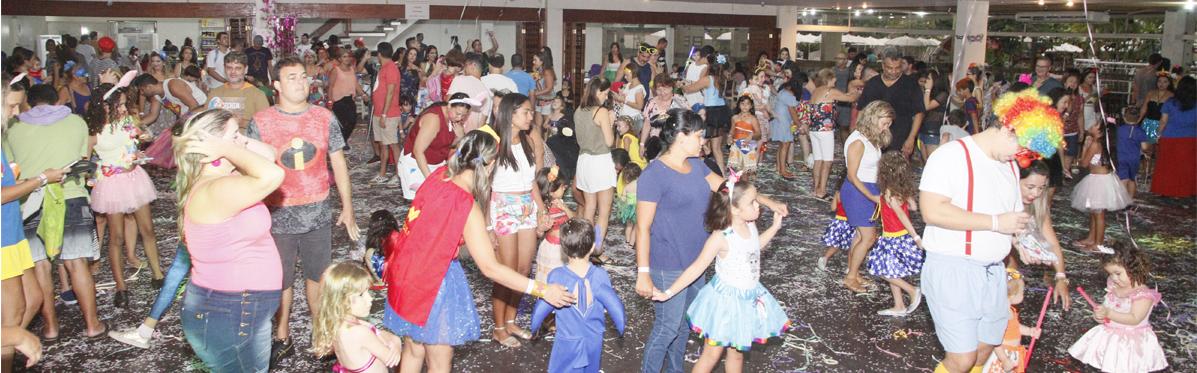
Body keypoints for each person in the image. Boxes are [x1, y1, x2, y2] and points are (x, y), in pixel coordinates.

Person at [383, 130, 575, 372]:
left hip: (405, 273)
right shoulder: (465, 203)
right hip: (432, 284)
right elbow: (490, 267)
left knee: (413, 349)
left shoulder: (438, 176)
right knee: (439, 362)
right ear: (490, 163)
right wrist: (542, 289)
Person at [634, 109, 787, 373]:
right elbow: (643, 227)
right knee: (667, 328)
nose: (703, 141)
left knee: (684, 326)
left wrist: (767, 201)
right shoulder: (654, 174)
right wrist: (643, 273)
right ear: (681, 137)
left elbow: (729, 189)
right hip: (668, 262)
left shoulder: (696, 165)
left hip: (697, 261)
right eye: (698, 136)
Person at [919, 89, 1055, 372]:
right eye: (1023, 148)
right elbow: (932, 211)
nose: (1023, 156)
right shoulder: (951, 156)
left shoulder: (1010, 167)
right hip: (954, 267)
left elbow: (1014, 219)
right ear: (1008, 128)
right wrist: (996, 222)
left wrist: (1023, 244)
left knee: (983, 351)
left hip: (993, 272)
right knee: (962, 358)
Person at [249, 57, 360, 366]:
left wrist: (348, 207)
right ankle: (282, 337)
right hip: (277, 214)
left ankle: (320, 336)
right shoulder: (261, 121)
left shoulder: (324, 117)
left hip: (318, 212)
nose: (301, 82)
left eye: (303, 76)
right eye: (292, 77)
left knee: (318, 277)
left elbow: (338, 163)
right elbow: (251, 168)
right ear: (277, 85)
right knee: (280, 281)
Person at [171, 109, 284, 372]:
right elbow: (273, 175)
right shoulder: (215, 190)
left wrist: (230, 144)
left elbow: (269, 155)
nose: (243, 141)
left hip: (237, 308)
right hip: (232, 310)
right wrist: (225, 146)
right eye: (236, 136)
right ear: (215, 147)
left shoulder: (224, 179)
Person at [649, 170, 789, 373]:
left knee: (737, 354)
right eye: (752, 202)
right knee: (711, 355)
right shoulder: (721, 237)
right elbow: (697, 267)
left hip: (747, 299)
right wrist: (668, 292)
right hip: (725, 304)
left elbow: (754, 247)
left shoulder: (750, 225)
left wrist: (775, 228)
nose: (758, 205)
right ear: (735, 209)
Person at [8, 83, 106, 341]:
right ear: (55, 101)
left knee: (40, 266)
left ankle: (50, 328)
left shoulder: (13, 128)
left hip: (29, 201)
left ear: (28, 102)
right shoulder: (76, 123)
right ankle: (93, 324)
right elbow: (82, 161)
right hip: (71, 196)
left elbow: (10, 169)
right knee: (77, 264)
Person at [85, 82, 162, 306]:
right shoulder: (94, 131)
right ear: (104, 106)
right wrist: (95, 173)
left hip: (135, 179)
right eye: (117, 105)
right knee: (116, 237)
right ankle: (121, 286)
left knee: (147, 229)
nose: (122, 109)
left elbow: (138, 139)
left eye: (123, 104)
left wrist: (140, 145)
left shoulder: (127, 122)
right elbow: (85, 162)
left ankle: (157, 274)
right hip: (111, 184)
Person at [1, 79, 56, 371]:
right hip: (2, 240)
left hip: (12, 234)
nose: (15, 113)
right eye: (10, 106)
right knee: (10, 321)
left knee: (33, 299)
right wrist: (41, 180)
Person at [529, 218, 626, 373]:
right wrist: (621, 326)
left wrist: (534, 326)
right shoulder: (600, 275)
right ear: (593, 247)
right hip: (593, 339)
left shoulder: (557, 275)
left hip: (567, 341)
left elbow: (544, 304)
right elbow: (614, 305)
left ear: (563, 248)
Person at [485, 93, 543, 347]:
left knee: (522, 270)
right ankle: (498, 328)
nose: (531, 116)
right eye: (527, 112)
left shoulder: (529, 141)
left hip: (526, 207)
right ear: (512, 114)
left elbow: (531, 182)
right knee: (506, 272)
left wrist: (541, 209)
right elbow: (483, 186)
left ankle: (510, 321)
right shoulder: (494, 144)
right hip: (503, 207)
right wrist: (487, 225)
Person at [1068, 245, 1168, 372]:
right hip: (1109, 338)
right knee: (1108, 365)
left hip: (1130, 343)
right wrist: (1100, 316)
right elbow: (1105, 307)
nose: (1114, 278)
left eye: (1118, 273)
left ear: (1133, 268)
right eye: (1110, 274)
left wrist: (1109, 313)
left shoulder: (1142, 294)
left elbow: (1134, 318)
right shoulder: (1114, 287)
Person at [310, 262, 402, 373]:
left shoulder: (338, 323)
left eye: (368, 291)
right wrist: (396, 342)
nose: (370, 298)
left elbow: (377, 333)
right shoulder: (359, 332)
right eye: (361, 295)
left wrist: (381, 334)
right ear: (341, 300)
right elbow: (390, 359)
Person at [840, 101, 892, 293]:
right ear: (873, 118)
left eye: (888, 124)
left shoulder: (870, 139)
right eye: (884, 123)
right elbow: (852, 176)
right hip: (858, 192)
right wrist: (872, 197)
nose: (886, 128)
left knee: (861, 235)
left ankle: (853, 272)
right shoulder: (858, 141)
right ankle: (851, 276)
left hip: (867, 189)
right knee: (869, 238)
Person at [865, 152, 924, 316]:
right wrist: (906, 194)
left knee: (880, 270)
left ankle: (911, 290)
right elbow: (913, 207)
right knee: (892, 270)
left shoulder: (890, 193)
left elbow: (903, 216)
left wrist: (916, 237)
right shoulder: (898, 190)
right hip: (897, 236)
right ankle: (899, 305)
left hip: (894, 238)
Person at [1012, 160, 1072, 311]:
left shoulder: (1038, 207)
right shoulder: (999, 203)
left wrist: (1060, 277)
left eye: (1041, 188)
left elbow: (1053, 244)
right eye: (1030, 187)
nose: (1036, 194)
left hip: (1013, 274)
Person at [399, 93, 474, 200]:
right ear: (449, 106)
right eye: (458, 114)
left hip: (436, 163)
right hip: (416, 164)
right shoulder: (433, 119)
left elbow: (447, 144)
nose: (460, 118)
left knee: (435, 202)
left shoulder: (453, 119)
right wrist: (430, 179)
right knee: (420, 204)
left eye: (464, 115)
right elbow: (418, 151)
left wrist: (460, 136)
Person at [573, 79, 617, 259]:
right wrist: (611, 122)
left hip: (584, 161)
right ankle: (597, 249)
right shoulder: (602, 111)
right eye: (605, 93)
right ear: (597, 91)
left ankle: (585, 248)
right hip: (600, 161)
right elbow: (609, 141)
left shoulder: (578, 111)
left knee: (589, 207)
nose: (606, 97)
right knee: (604, 211)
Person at [1072, 121, 1130, 252]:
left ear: (1100, 132)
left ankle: (1098, 243)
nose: (1092, 125)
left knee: (1099, 214)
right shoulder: (1102, 144)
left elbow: (1084, 163)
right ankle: (1091, 238)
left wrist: (1085, 147)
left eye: (1096, 125)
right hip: (1100, 180)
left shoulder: (1095, 144)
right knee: (1094, 212)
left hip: (1099, 182)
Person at [855, 50, 925, 156]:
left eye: (897, 68)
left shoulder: (911, 84)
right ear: (883, 66)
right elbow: (861, 110)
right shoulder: (872, 83)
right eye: (889, 68)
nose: (893, 71)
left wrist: (911, 138)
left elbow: (919, 113)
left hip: (900, 140)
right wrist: (858, 134)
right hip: (873, 139)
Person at [805, 68, 861, 198]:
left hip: (814, 129)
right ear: (829, 78)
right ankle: (821, 190)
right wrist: (858, 92)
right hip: (825, 130)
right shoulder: (830, 91)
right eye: (834, 78)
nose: (836, 80)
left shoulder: (816, 91)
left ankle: (815, 188)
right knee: (828, 161)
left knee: (818, 160)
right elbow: (850, 98)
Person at [980, 270, 1040, 373]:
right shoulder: (1000, 315)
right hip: (1001, 356)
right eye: (1022, 292)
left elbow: (1015, 327)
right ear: (1012, 295)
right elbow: (994, 341)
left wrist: (1030, 331)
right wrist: (1004, 359)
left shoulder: (1011, 310)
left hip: (1011, 354)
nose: (1023, 294)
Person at [683, 47, 730, 169]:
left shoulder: (707, 79)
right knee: (717, 149)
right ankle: (722, 176)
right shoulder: (722, 78)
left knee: (697, 142)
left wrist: (682, 85)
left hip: (710, 113)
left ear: (709, 64)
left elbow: (689, 89)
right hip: (722, 111)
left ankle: (704, 155)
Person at [1150, 75, 1196, 198]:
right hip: (1190, 138)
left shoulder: (1170, 102)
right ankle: (1185, 191)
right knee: (1187, 166)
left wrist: (1157, 135)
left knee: (1166, 165)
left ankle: (1166, 190)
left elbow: (1163, 121)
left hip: (1170, 137)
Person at [206, 51, 269, 134]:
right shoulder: (215, 93)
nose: (233, 72)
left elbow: (266, 125)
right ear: (224, 68)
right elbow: (207, 122)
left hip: (247, 143)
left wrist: (242, 122)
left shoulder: (257, 95)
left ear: (246, 69)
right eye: (229, 68)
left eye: (238, 68)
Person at [370, 42, 403, 184]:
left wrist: (384, 114)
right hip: (379, 112)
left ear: (379, 54)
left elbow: (390, 92)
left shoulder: (391, 69)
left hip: (388, 114)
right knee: (383, 144)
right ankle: (382, 174)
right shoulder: (384, 68)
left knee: (393, 145)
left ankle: (399, 174)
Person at [533, 166, 574, 283]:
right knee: (549, 280)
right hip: (551, 250)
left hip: (565, 247)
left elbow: (574, 220)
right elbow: (537, 234)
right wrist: (541, 229)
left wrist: (565, 208)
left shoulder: (560, 202)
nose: (565, 188)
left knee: (564, 279)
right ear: (551, 190)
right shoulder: (542, 209)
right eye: (562, 187)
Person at [328, 48, 366, 150]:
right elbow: (330, 86)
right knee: (343, 123)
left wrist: (363, 94)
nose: (347, 58)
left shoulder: (352, 69)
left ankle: (342, 141)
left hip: (349, 99)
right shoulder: (335, 70)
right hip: (338, 100)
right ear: (339, 58)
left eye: (348, 56)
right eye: (344, 56)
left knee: (353, 121)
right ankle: (341, 143)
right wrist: (330, 101)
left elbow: (355, 84)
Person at [448, 53, 494, 133]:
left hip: (454, 132)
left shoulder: (459, 80)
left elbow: (448, 103)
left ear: (473, 65)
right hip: (471, 138)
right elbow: (481, 125)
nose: (463, 69)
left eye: (465, 66)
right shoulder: (487, 93)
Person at [817, 190, 852, 271]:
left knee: (836, 244)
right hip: (850, 222)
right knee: (852, 246)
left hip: (839, 221)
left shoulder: (838, 193)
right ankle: (851, 267)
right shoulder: (855, 193)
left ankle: (824, 258)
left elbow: (833, 208)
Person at [918, 70, 950, 158]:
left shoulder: (943, 94)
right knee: (925, 162)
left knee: (931, 161)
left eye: (928, 79)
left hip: (934, 132)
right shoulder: (930, 94)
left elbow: (927, 106)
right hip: (923, 131)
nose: (926, 81)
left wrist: (928, 89)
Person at [727, 95, 761, 172]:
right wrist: (729, 136)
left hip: (747, 146)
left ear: (751, 106)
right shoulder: (734, 118)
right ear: (738, 105)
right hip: (736, 146)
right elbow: (732, 131)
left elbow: (759, 134)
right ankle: (738, 183)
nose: (745, 106)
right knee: (736, 171)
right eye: (742, 103)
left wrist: (751, 136)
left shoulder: (753, 119)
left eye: (747, 104)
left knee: (746, 171)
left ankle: (745, 183)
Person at [615, 162, 641, 247]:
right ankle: (632, 243)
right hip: (638, 208)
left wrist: (621, 208)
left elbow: (622, 199)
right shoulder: (640, 185)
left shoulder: (627, 187)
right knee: (635, 227)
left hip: (629, 209)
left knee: (629, 226)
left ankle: (627, 241)